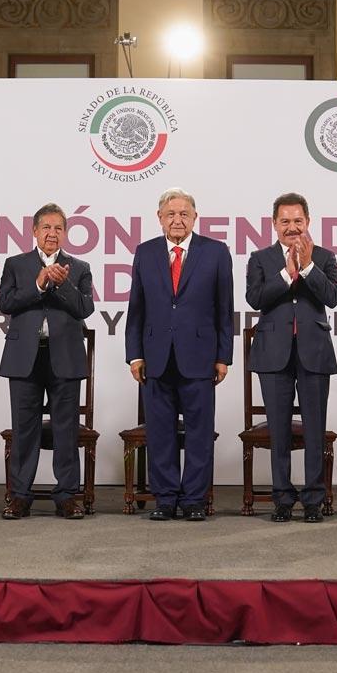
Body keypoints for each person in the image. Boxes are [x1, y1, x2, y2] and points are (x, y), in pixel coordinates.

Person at [126, 188, 234, 522]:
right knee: (160, 431)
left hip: (200, 356)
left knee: (200, 432)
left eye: (184, 213)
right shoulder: (145, 253)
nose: (177, 220)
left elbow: (225, 310)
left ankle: (194, 500)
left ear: (195, 217)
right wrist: (135, 355)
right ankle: (166, 498)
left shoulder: (215, 252)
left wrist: (223, 356)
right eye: (170, 214)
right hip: (156, 356)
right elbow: (137, 309)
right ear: (159, 218)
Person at [245, 192, 337, 523]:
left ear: (308, 222)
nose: (292, 227)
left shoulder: (325, 256)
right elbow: (255, 299)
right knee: (279, 433)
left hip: (314, 352)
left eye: (298, 221)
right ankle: (282, 499)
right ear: (274, 224)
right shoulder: (260, 258)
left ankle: (314, 500)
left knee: (315, 430)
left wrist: (308, 266)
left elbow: (333, 296)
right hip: (273, 354)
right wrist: (286, 274)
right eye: (284, 221)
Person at [0, 203, 95, 520]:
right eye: (46, 227)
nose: (52, 233)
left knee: (66, 430)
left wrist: (61, 283)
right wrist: (39, 283)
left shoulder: (78, 267)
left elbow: (84, 309)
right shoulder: (16, 264)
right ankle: (20, 495)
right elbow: (6, 302)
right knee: (25, 429)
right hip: (25, 356)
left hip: (64, 357)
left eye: (58, 228)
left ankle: (67, 495)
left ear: (65, 233)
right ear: (34, 231)